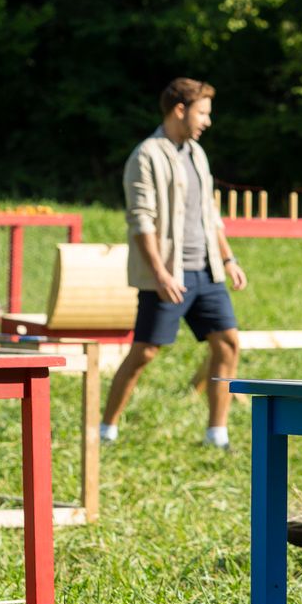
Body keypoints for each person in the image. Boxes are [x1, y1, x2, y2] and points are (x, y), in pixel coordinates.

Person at [100, 77, 247, 448]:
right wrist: (160, 273)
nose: (207, 121)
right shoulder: (146, 155)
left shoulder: (197, 153)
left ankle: (217, 433)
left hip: (207, 271)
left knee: (228, 343)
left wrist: (227, 258)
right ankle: (106, 429)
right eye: (203, 113)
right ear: (179, 110)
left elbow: (210, 214)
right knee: (144, 352)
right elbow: (141, 219)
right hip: (168, 276)